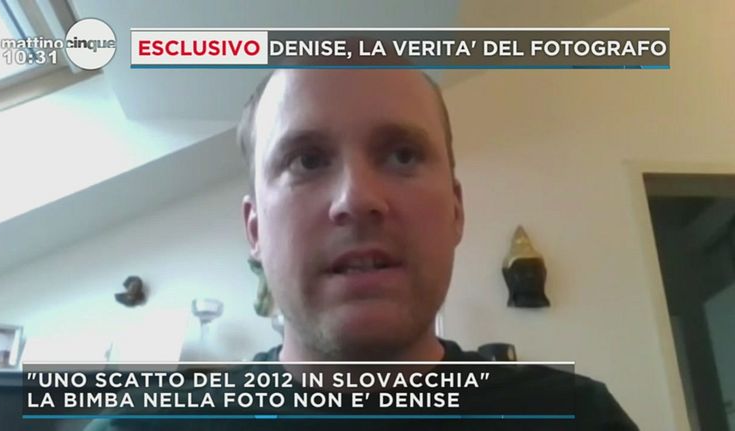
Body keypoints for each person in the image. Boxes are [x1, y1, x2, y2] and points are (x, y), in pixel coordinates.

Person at [87, 67, 637, 430]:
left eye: (402, 155)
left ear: (456, 210)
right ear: (255, 230)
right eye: (307, 160)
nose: (357, 199)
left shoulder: (579, 418)